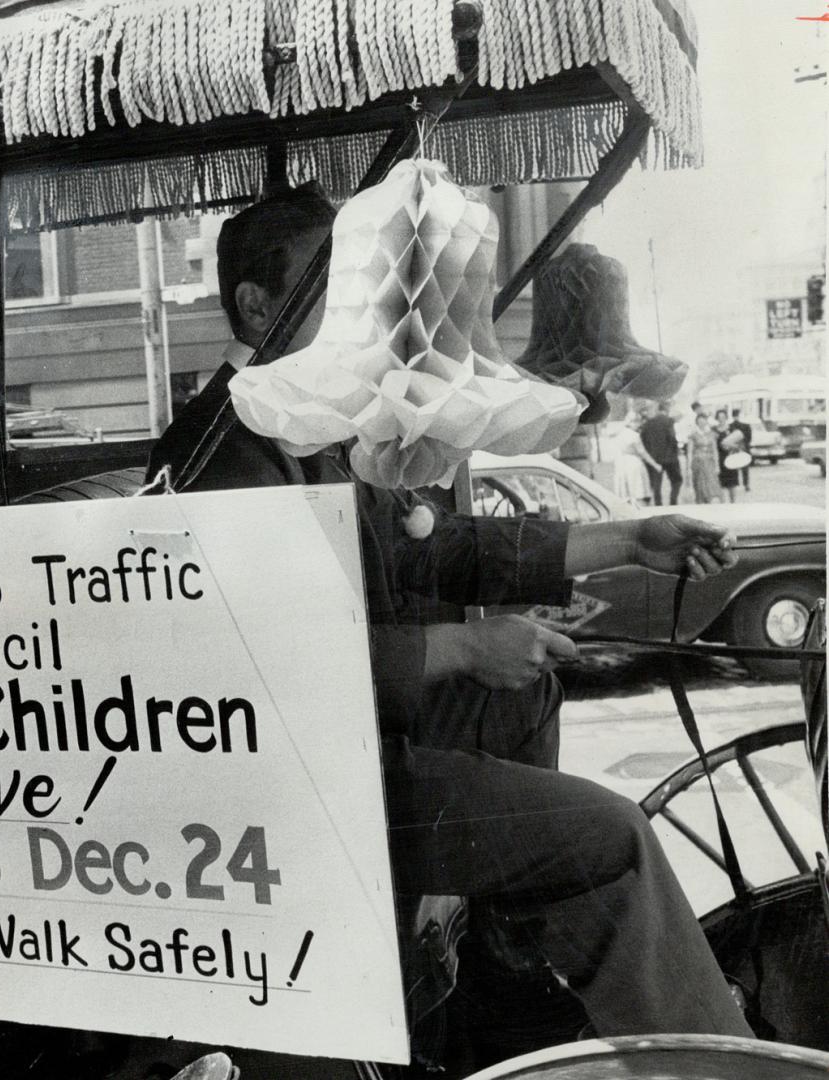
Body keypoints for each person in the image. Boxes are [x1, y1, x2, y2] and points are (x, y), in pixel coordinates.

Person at [147, 186, 750, 1043]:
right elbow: (254, 668)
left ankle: (500, 968)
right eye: (342, 289)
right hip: (304, 783)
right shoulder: (219, 450)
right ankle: (699, 1059)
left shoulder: (307, 420)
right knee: (610, 835)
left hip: (357, 731)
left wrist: (626, 539)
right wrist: (461, 644)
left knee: (522, 694)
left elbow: (434, 548)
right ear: (256, 303)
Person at [638, 399, 683, 505]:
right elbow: (672, 437)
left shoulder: (648, 423)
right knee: (677, 481)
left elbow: (643, 440)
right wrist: (676, 451)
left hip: (654, 458)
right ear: (667, 409)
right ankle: (673, 501)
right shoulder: (668, 421)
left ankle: (659, 504)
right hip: (670, 458)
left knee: (656, 484)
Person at [610, 414, 656, 506]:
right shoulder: (634, 436)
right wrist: (655, 464)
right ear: (631, 422)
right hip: (634, 463)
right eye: (637, 422)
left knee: (625, 492)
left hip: (621, 463)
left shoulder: (619, 434)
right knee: (638, 490)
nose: (638, 425)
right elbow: (643, 453)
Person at [687, 411, 722, 504]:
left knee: (712, 485)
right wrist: (689, 467)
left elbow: (715, 450)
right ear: (697, 423)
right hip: (698, 462)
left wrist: (717, 465)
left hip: (710, 462)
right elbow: (689, 452)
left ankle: (711, 503)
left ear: (706, 422)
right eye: (699, 422)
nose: (702, 423)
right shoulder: (693, 435)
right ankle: (701, 502)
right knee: (700, 485)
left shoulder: (711, 434)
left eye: (703, 421)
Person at [728, 408, 753, 492]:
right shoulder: (745, 426)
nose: (736, 417)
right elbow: (749, 439)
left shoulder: (730, 426)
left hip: (738, 448)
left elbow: (749, 439)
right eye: (736, 415)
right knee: (742, 468)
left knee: (739, 467)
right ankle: (745, 484)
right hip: (740, 448)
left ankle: (741, 484)